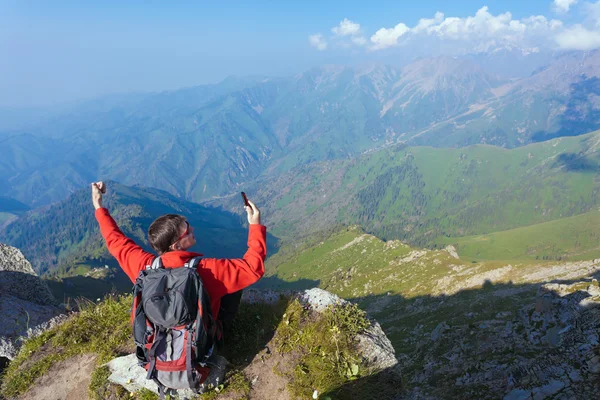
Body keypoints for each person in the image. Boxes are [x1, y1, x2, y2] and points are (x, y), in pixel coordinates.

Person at [90, 181, 266, 338]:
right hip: (198, 350)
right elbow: (252, 268)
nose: (192, 229)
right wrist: (255, 225)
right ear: (176, 245)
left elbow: (116, 241)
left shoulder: (144, 267)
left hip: (156, 349)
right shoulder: (207, 271)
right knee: (233, 286)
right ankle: (221, 337)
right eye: (187, 230)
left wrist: (98, 205)